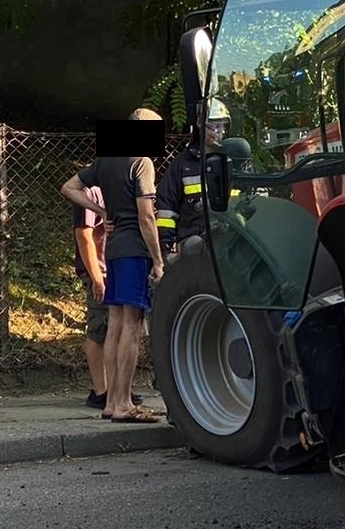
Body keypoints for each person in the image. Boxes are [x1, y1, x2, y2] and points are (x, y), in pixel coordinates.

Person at [60, 108, 166, 423]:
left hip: (114, 251)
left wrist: (100, 210)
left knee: (115, 325)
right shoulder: (141, 162)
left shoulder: (107, 160)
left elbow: (68, 187)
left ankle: (109, 401)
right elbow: (146, 215)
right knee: (131, 328)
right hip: (135, 249)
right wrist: (158, 260)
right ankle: (123, 404)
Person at [72, 179, 142, 411]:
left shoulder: (123, 185)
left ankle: (118, 388)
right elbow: (84, 236)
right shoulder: (90, 192)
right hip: (100, 270)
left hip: (118, 264)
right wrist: (96, 277)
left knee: (121, 326)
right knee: (99, 328)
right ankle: (101, 391)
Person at [156, 98, 229, 254]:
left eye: (224, 126)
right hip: (193, 244)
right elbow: (166, 210)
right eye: (216, 126)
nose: (221, 132)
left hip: (229, 243)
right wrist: (165, 250)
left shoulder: (232, 162)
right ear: (199, 123)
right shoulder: (182, 164)